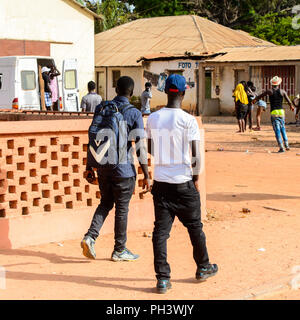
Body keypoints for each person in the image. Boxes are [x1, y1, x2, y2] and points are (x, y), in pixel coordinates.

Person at [146, 74, 218, 294]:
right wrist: (196, 179)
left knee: (160, 232)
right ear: (184, 93)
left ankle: (163, 279)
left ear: (166, 92)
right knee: (195, 227)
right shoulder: (188, 120)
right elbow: (196, 156)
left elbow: (149, 148)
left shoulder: (153, 118)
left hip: (161, 183)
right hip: (183, 182)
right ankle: (203, 267)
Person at [81, 76, 151, 261]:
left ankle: (90, 236)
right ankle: (119, 250)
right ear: (132, 92)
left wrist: (90, 166)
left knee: (105, 203)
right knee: (121, 208)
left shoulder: (102, 108)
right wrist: (146, 174)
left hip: (103, 167)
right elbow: (140, 147)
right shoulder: (134, 113)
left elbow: (93, 137)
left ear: (116, 89)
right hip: (124, 170)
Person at [254, 76, 294, 153]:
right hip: (281, 112)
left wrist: (254, 99)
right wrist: (291, 106)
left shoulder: (270, 91)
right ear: (278, 84)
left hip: (274, 112)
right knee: (283, 128)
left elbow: (260, 96)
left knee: (277, 130)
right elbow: (289, 100)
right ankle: (287, 145)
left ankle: (281, 147)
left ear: (272, 84)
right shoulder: (282, 91)